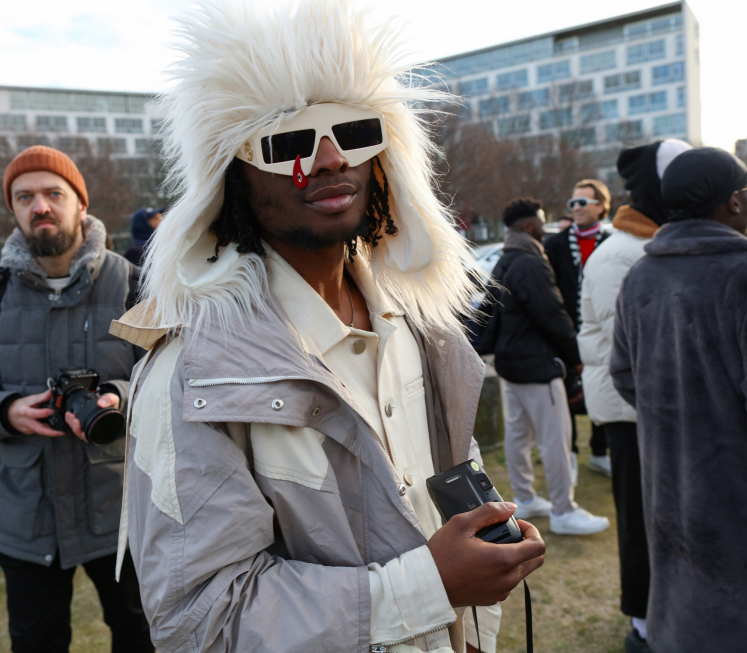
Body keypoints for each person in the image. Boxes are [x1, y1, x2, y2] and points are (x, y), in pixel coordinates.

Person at [109, 3, 546, 652]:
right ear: (235, 180)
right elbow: (204, 621)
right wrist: (428, 584)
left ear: (385, 155)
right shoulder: (194, 372)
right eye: (288, 143)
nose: (330, 158)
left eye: (354, 131)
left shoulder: (423, 330)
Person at [0, 146, 151, 653]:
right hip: (25, 514)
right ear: (12, 209)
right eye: (25, 196)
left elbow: (173, 378)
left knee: (143, 638)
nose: (41, 207)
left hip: (119, 511)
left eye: (54, 193)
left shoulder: (131, 282)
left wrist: (118, 397)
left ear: (80, 203)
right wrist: (4, 411)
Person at [611, 147, 747, 653]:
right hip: (734, 489)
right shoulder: (740, 274)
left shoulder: (640, 276)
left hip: (669, 478)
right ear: (732, 203)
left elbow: (624, 374)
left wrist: (675, 411)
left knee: (686, 595)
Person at [577, 139, 690, 653]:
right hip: (629, 412)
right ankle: (642, 621)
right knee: (640, 521)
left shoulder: (647, 246)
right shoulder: (623, 254)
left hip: (649, 408)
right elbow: (634, 347)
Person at [489, 198, 610, 536]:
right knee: (555, 439)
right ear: (529, 226)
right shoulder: (530, 262)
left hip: (511, 365)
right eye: (542, 222)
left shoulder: (506, 259)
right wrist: (576, 357)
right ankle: (563, 510)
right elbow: (553, 315)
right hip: (537, 367)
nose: (548, 227)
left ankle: (525, 498)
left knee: (518, 435)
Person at [545, 179, 612, 479]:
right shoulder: (555, 244)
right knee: (566, 396)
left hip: (602, 331)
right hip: (566, 334)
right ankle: (570, 455)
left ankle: (600, 452)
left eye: (583, 202)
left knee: (601, 390)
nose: (576, 208)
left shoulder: (612, 242)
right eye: (573, 203)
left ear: (601, 206)